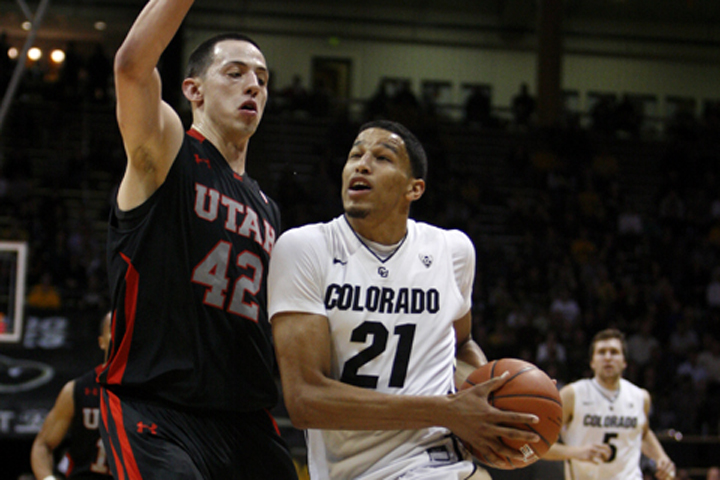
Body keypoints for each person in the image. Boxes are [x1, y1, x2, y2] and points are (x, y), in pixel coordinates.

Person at [268, 119, 540, 479]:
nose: (362, 164)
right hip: (354, 470)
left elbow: (461, 345)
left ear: (415, 189)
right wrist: (447, 411)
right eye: (355, 155)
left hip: (439, 459)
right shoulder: (306, 248)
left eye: (382, 157)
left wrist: (491, 405)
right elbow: (305, 400)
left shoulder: (452, 251)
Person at [95, 0, 297, 479]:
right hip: (158, 410)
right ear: (193, 90)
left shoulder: (268, 207)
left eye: (262, 79)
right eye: (235, 72)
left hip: (244, 421)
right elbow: (131, 66)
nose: (253, 85)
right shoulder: (169, 151)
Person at [543, 328, 676, 480]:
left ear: (624, 361)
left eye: (614, 352)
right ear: (592, 362)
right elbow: (541, 446)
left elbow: (643, 433)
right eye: (601, 352)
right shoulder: (572, 394)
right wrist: (577, 452)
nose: (607, 357)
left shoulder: (640, 397)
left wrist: (661, 457)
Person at [31, 312, 112, 480]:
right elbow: (42, 445)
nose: (121, 335)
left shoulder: (147, 393)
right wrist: (48, 478)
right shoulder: (77, 389)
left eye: (126, 330)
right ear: (101, 342)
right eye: (114, 329)